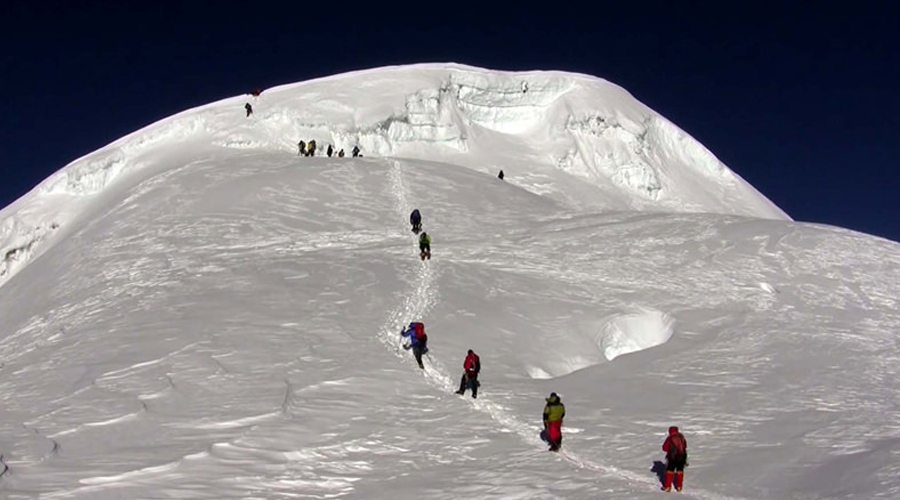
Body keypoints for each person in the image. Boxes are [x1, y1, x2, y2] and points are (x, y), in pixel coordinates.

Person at [661, 426, 688, 492]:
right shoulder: (681, 437)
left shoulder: (670, 438)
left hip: (672, 457)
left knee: (670, 471)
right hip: (682, 456)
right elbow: (685, 446)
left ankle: (668, 487)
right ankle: (679, 486)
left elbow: (664, 448)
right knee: (680, 471)